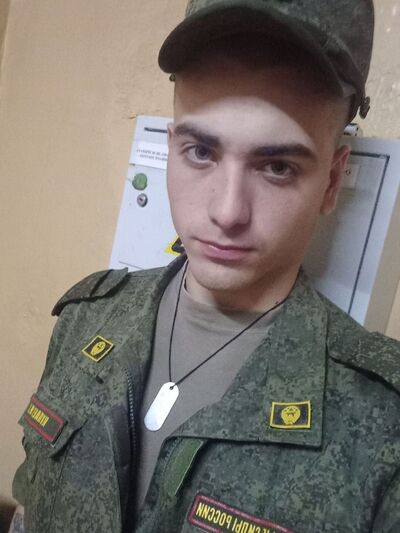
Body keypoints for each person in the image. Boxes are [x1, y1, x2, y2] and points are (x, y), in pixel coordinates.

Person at [10, 0, 400, 532]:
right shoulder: (85, 320)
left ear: (331, 182)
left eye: (277, 166)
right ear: (171, 148)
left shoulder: (381, 421)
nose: (227, 212)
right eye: (201, 152)